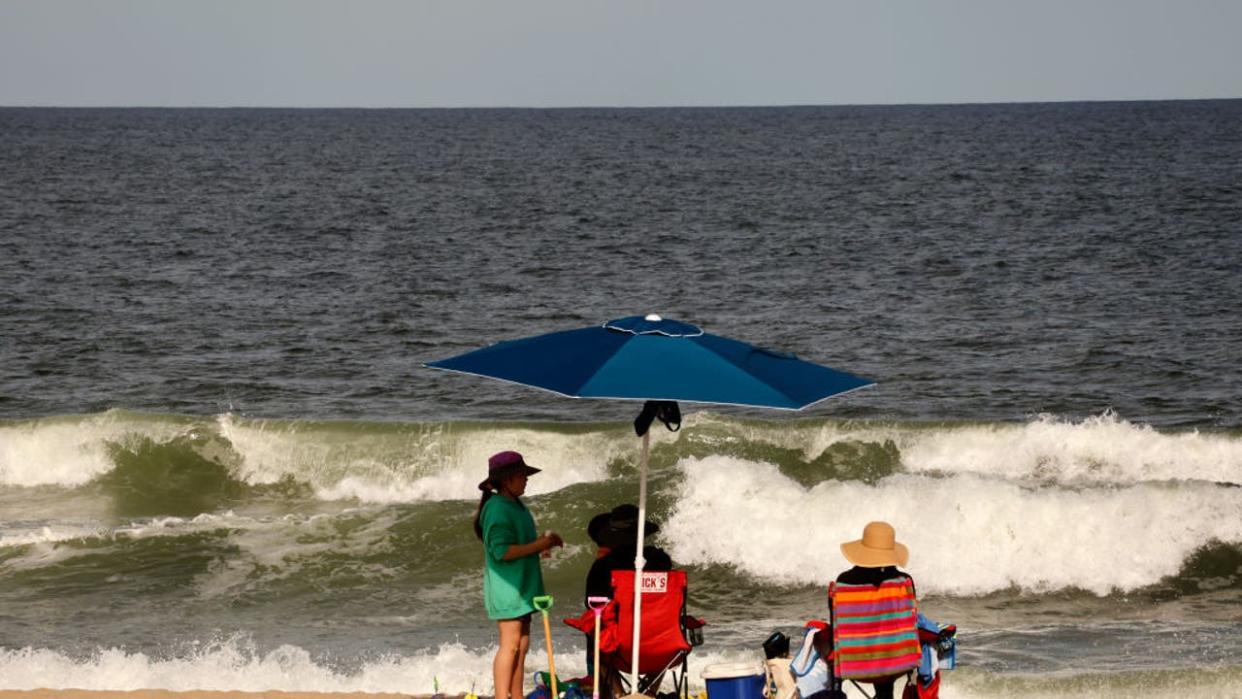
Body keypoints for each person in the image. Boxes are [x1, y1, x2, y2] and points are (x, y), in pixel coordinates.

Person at [474, 451, 564, 699]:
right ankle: (502, 696)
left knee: (522, 645)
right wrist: (540, 544)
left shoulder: (515, 504)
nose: (526, 479)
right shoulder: (496, 508)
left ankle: (516, 694)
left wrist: (541, 546)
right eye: (522, 475)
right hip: (508, 588)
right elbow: (502, 552)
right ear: (506, 480)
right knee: (511, 645)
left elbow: (520, 544)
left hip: (523, 585)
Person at [583, 504, 673, 699]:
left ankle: (619, 693)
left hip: (619, 645)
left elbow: (591, 605)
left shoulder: (603, 566)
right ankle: (649, 692)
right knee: (670, 630)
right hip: (661, 643)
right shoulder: (660, 559)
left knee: (592, 629)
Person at [827, 521, 920, 699]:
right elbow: (911, 620)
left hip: (853, 665)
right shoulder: (904, 581)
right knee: (891, 643)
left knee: (819, 637)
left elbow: (836, 625)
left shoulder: (842, 582)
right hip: (897, 664)